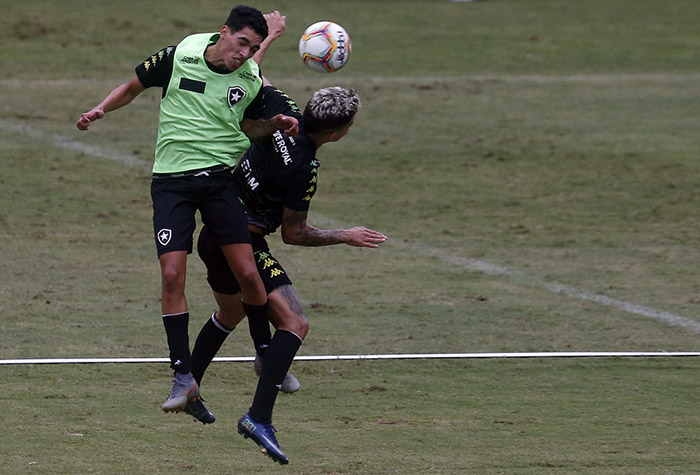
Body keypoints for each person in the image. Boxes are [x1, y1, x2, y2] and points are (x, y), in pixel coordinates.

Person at [76, 6, 298, 414]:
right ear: (223, 33)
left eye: (254, 48)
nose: (246, 54)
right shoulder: (182, 54)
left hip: (218, 183)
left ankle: (265, 352)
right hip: (171, 184)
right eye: (241, 43)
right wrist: (101, 109)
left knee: (249, 273)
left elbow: (249, 127)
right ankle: (183, 376)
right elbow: (133, 86)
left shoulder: (248, 78)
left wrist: (275, 123)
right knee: (172, 274)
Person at [187, 78, 387, 464]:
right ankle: (258, 417)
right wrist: (345, 235)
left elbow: (253, 78)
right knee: (294, 324)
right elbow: (294, 234)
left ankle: (188, 384)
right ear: (336, 133)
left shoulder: (284, 112)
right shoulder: (304, 167)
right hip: (241, 243)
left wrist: (270, 38)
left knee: (231, 314)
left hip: (212, 232)